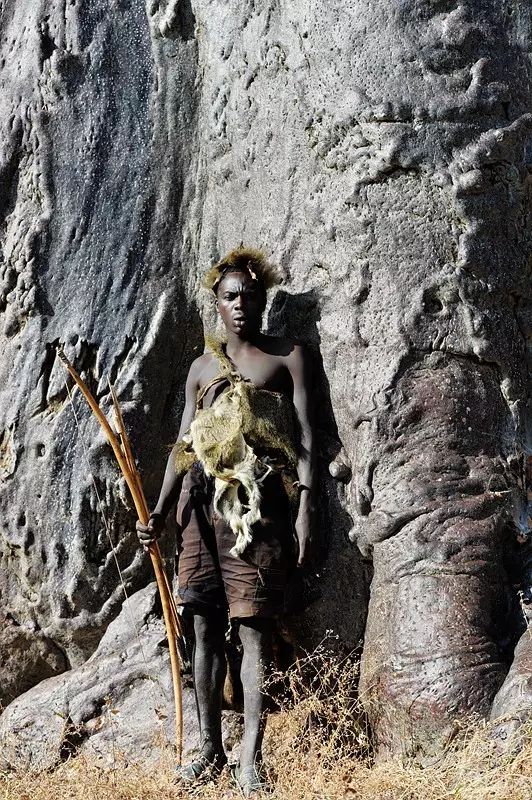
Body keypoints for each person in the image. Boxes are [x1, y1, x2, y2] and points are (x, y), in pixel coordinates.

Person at [136, 247, 315, 796]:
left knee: (254, 630)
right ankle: (209, 749)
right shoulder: (200, 369)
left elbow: (306, 439)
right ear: (216, 304)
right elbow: (184, 445)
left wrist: (307, 507)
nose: (241, 306)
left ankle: (250, 760)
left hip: (256, 508)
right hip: (198, 505)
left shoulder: (286, 357)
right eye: (230, 297)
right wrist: (161, 510)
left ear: (263, 300)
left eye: (250, 296)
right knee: (203, 625)